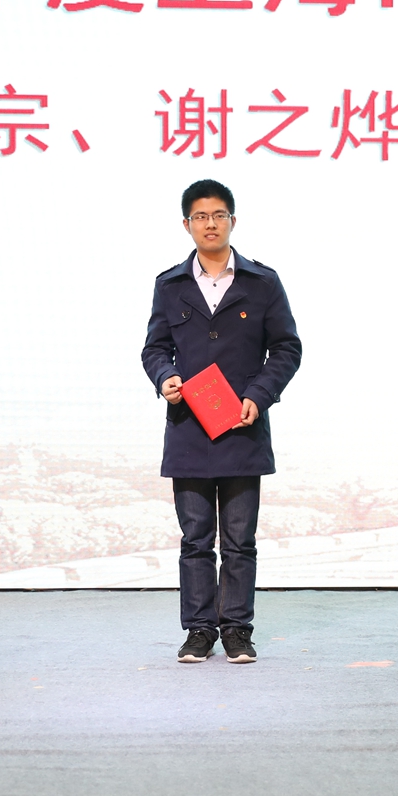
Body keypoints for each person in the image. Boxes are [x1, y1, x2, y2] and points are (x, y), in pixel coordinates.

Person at [140, 179, 303, 664]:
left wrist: (259, 395)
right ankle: (198, 630)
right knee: (195, 540)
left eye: (218, 215)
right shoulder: (170, 285)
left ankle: (236, 629)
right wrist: (165, 378)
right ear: (186, 224)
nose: (209, 224)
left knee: (239, 541)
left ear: (233, 220)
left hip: (241, 428)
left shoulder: (262, 282)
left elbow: (287, 347)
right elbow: (155, 348)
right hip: (188, 429)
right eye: (200, 216)